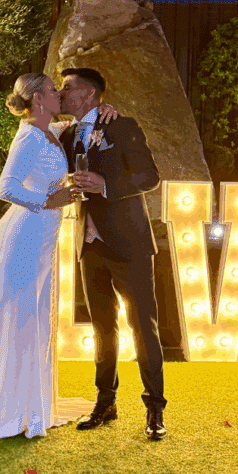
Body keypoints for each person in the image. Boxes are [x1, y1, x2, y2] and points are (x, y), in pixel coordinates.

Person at [0, 73, 119, 439]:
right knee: (17, 316)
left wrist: (104, 108)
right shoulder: (29, 136)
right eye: (52, 89)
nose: (59, 93)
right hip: (23, 236)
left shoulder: (51, 130)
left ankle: (27, 402)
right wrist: (47, 199)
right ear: (38, 99)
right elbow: (5, 187)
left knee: (32, 316)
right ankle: (5, 406)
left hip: (41, 237)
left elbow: (83, 123)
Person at [58, 68, 168, 441]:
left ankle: (155, 408)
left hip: (129, 244)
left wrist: (106, 185)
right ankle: (106, 402)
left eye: (68, 87)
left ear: (90, 93)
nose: (62, 92)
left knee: (143, 327)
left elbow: (150, 176)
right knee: (102, 328)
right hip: (88, 245)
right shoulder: (68, 134)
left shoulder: (121, 125)